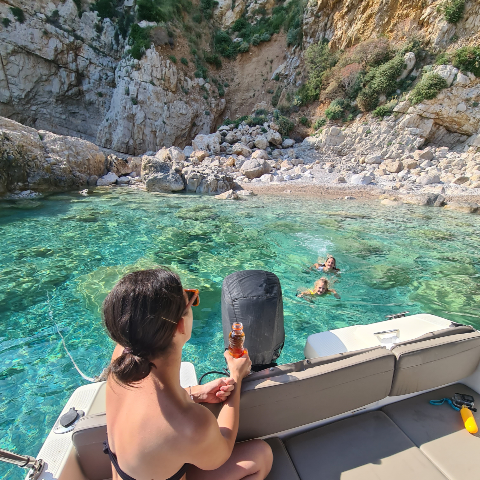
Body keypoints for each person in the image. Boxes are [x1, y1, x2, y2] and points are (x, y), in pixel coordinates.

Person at [102, 268, 273, 480]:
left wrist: (196, 393)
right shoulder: (191, 425)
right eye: (192, 300)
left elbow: (149, 403)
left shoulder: (122, 356)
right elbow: (222, 450)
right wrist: (236, 377)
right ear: (180, 325)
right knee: (261, 456)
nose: (194, 300)